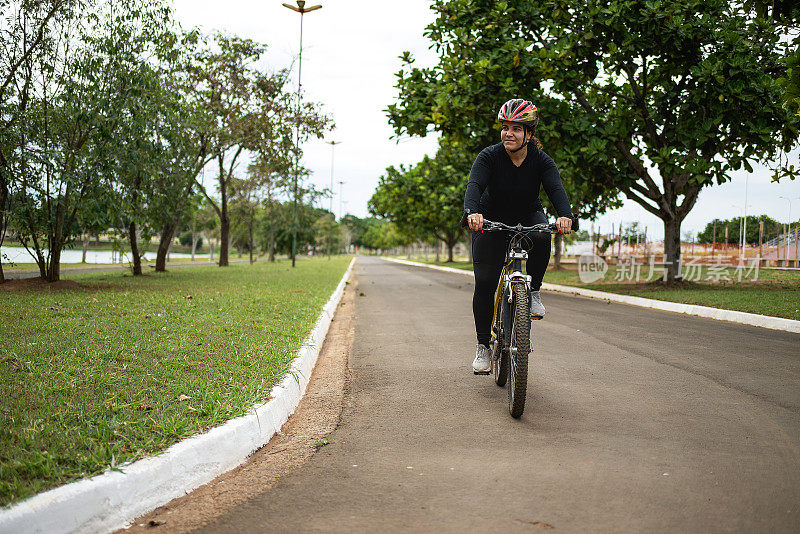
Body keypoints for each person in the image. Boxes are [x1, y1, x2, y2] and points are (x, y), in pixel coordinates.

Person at [463, 99, 574, 374]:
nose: (508, 134)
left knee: (542, 236)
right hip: (490, 218)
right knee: (486, 283)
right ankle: (483, 347)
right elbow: (474, 185)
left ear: (529, 134)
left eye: (516, 128)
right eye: (505, 128)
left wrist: (565, 215)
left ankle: (533, 291)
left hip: (528, 213)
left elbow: (556, 189)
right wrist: (471, 212)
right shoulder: (489, 156)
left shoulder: (541, 161)